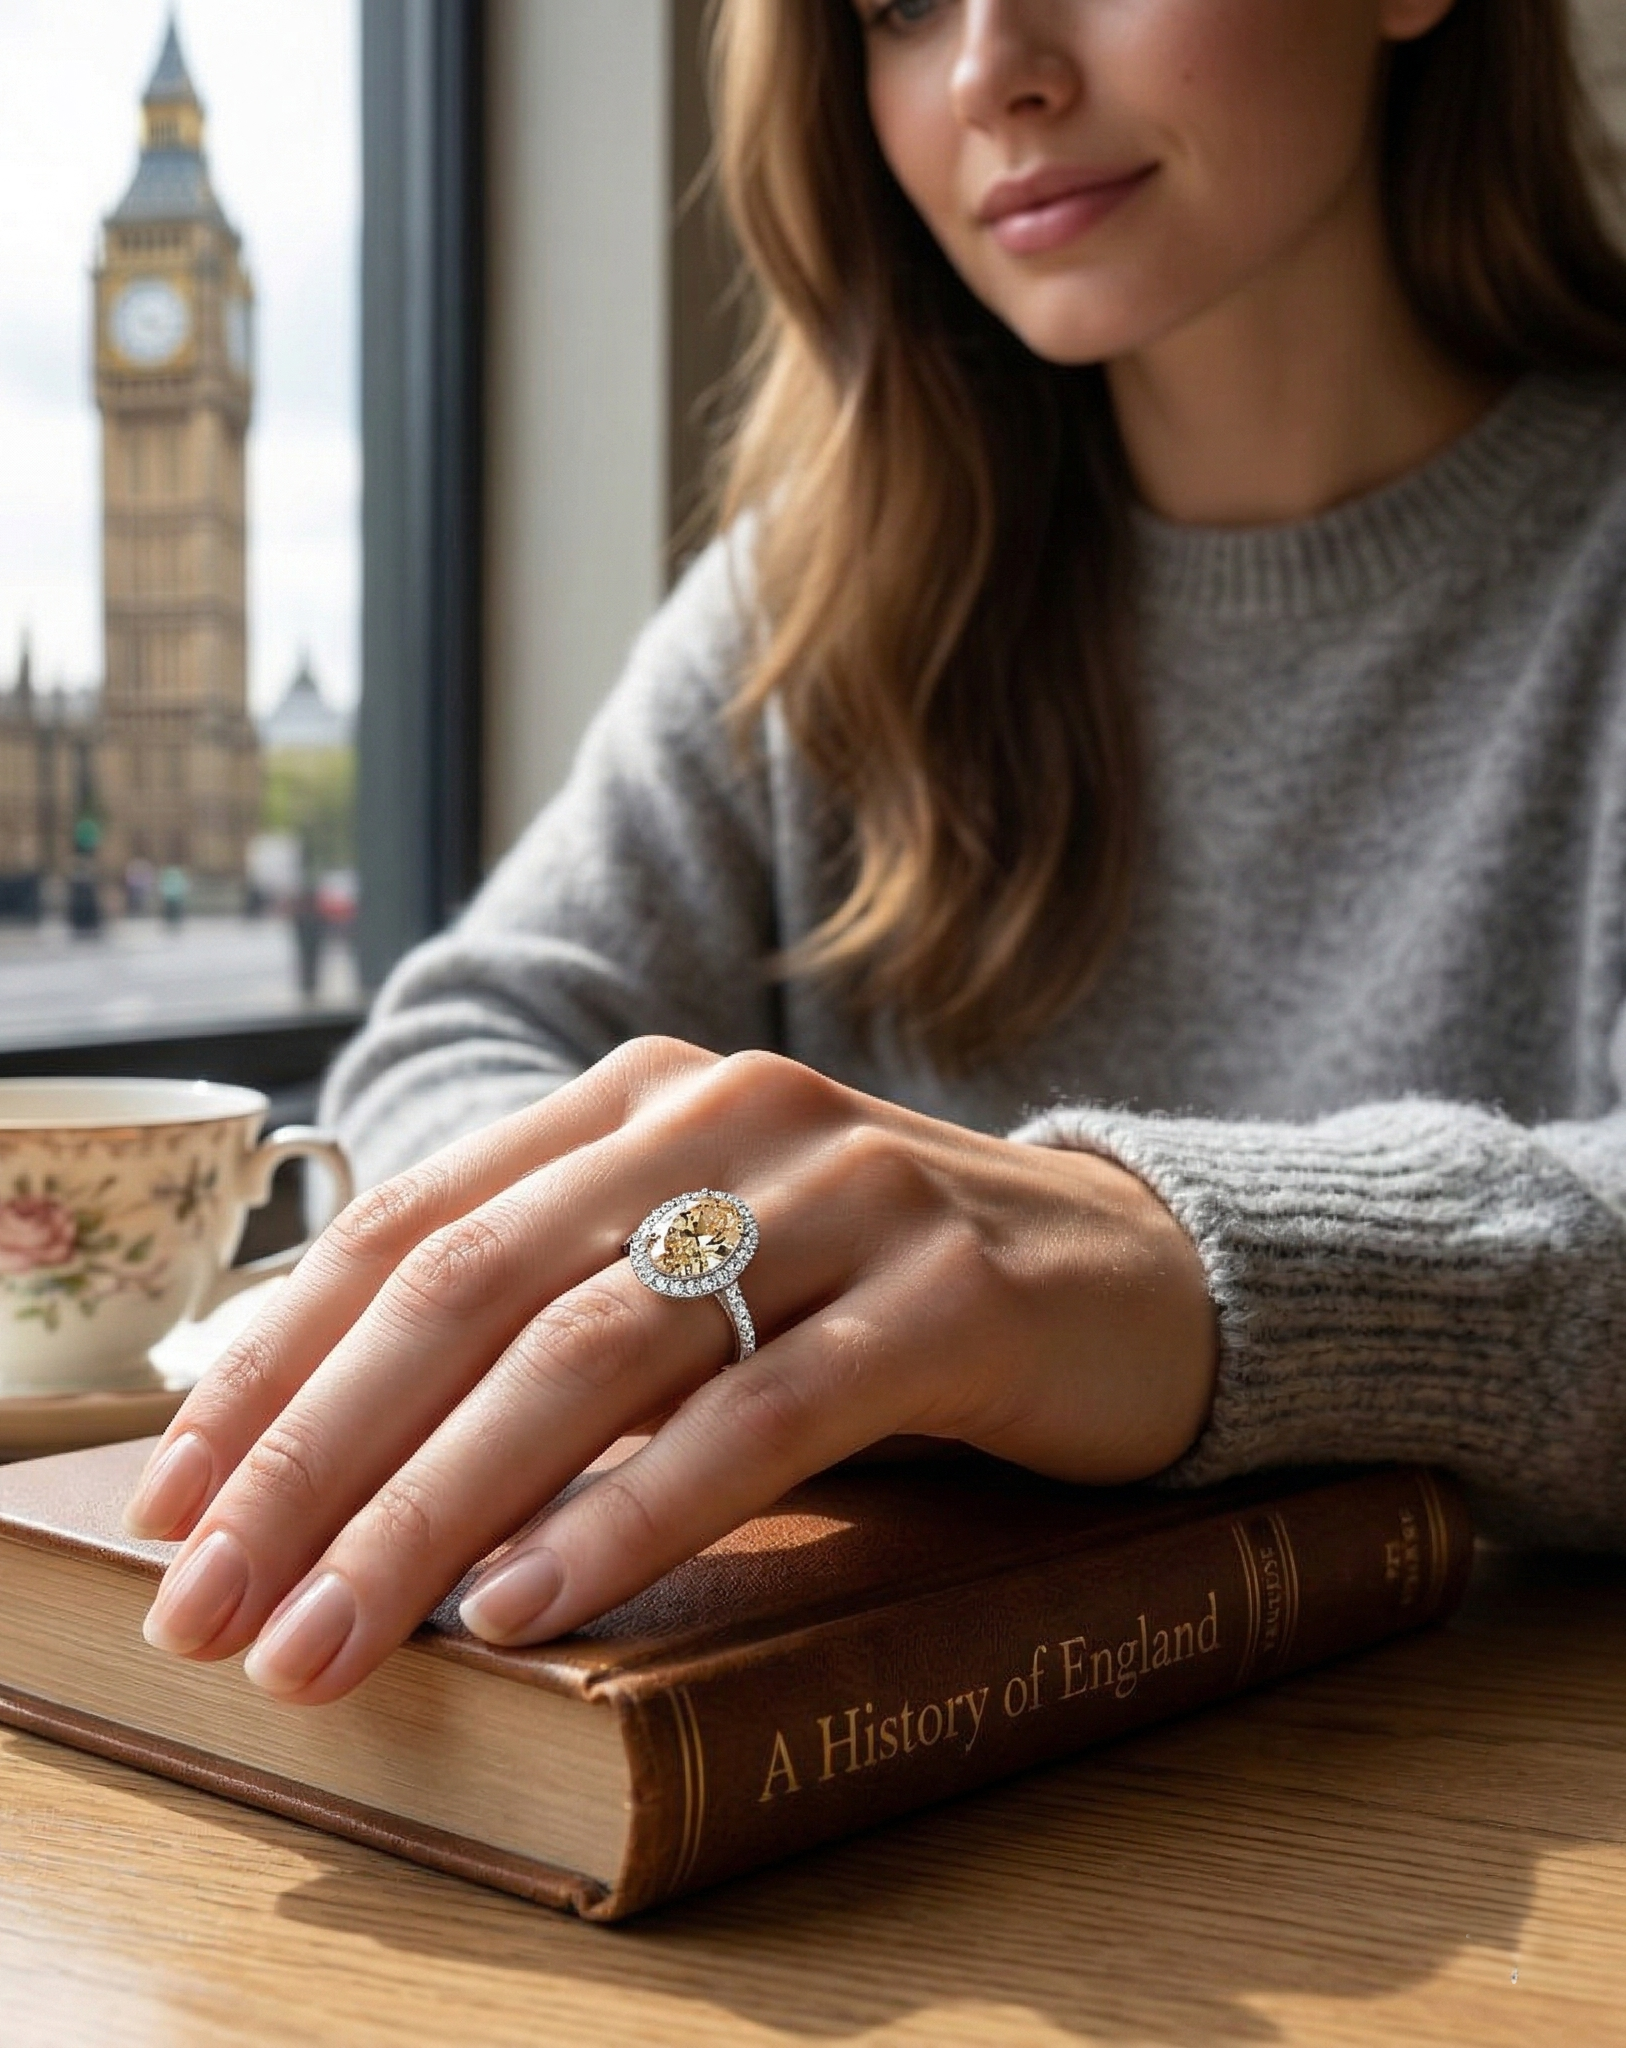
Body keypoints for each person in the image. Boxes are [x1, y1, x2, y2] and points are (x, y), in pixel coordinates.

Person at [126, 0, 1626, 1708]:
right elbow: (461, 1038)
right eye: (899, 7)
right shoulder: (827, 588)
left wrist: (1156, 1277)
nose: (994, 69)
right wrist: (686, 1294)